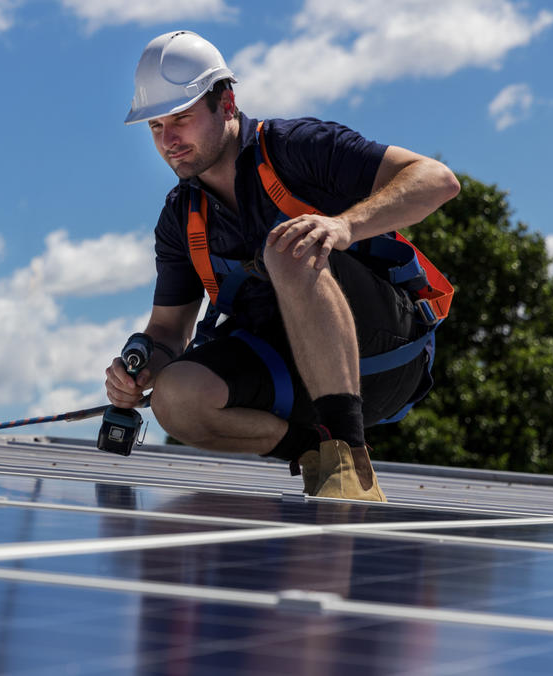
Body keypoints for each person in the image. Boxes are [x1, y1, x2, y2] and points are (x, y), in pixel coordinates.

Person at [106, 31, 460, 501]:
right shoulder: (180, 219)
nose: (168, 140)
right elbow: (169, 332)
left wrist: (344, 227)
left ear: (226, 103)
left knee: (288, 244)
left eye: (181, 119)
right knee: (175, 397)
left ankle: (349, 458)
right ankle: (311, 448)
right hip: (293, 376)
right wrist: (139, 366)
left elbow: (437, 180)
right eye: (155, 127)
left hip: (384, 356)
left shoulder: (297, 148)